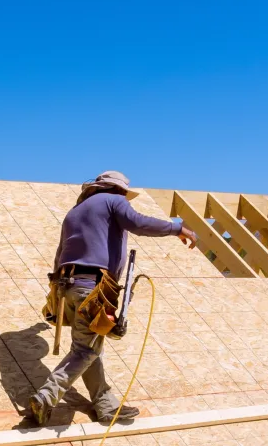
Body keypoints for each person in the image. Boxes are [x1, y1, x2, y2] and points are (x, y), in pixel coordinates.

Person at [28, 171, 197, 426]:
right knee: (86, 349)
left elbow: (59, 253)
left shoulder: (74, 212)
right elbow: (138, 223)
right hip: (93, 288)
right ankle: (46, 396)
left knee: (90, 348)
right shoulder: (113, 201)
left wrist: (55, 294)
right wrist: (176, 228)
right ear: (117, 190)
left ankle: (105, 406)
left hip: (68, 287)